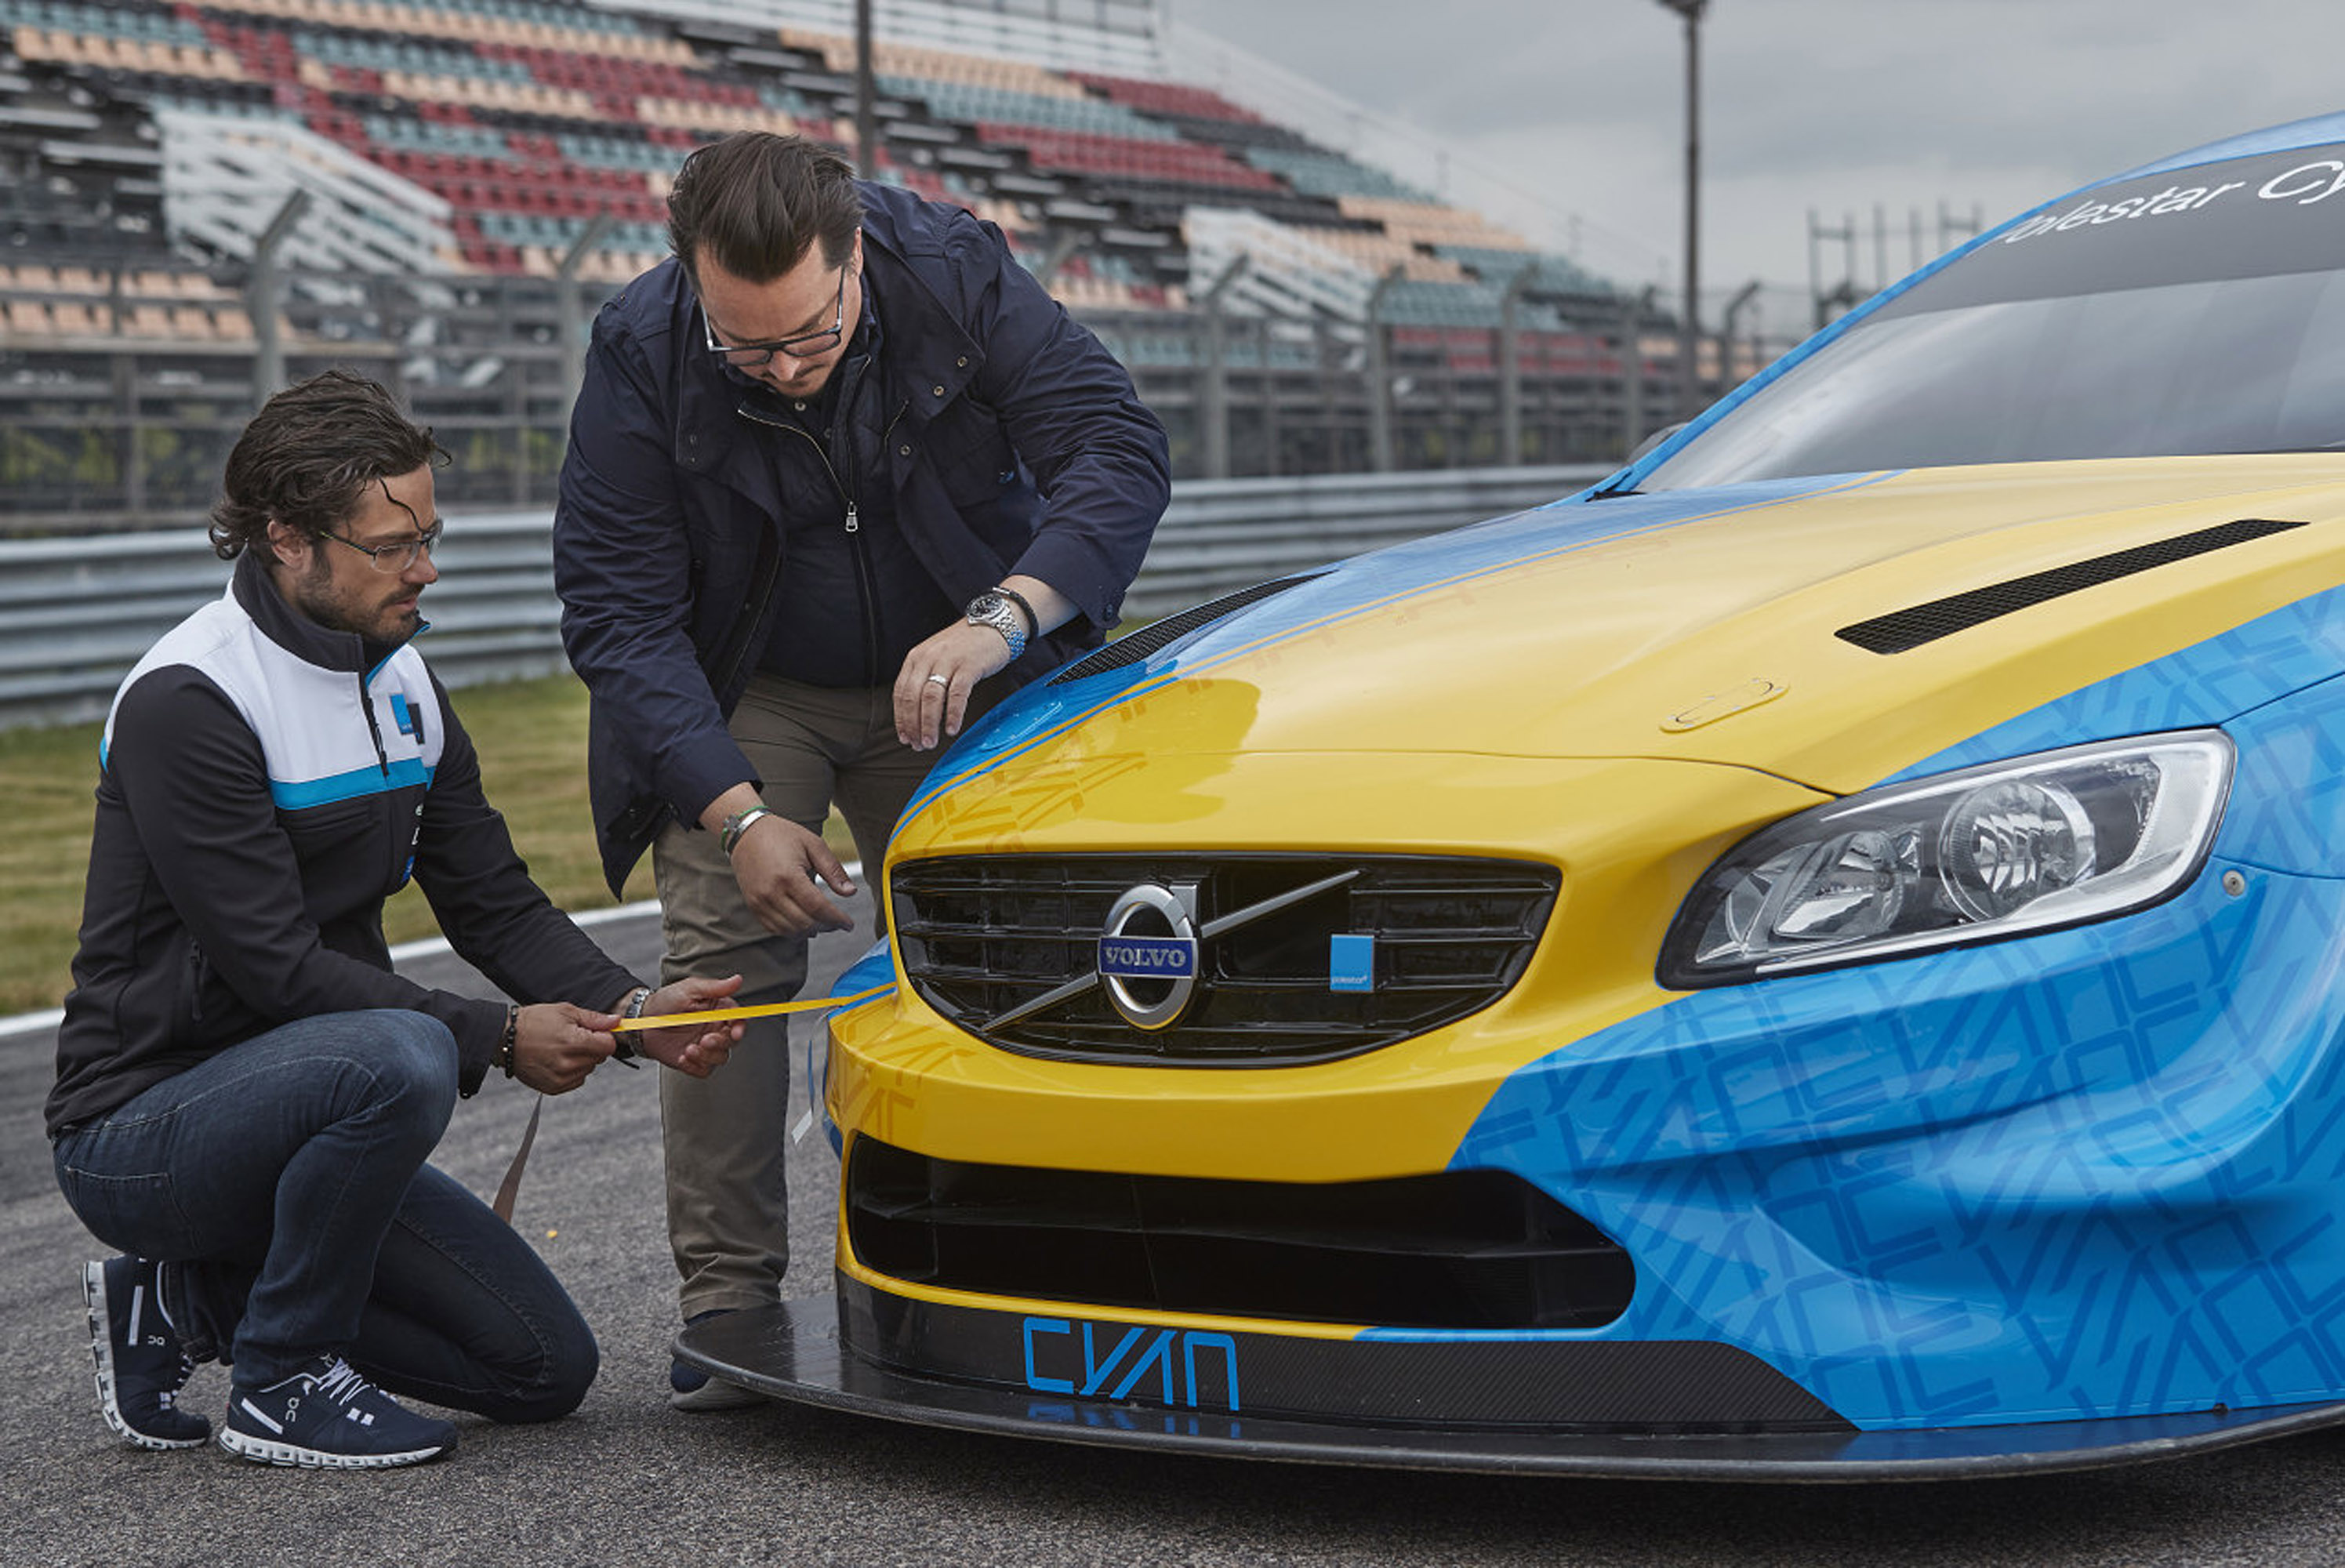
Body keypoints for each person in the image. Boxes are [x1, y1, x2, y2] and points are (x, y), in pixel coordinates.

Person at [554, 132, 1170, 1409]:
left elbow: (1114, 449)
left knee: (1004, 958)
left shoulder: (955, 272)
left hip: (953, 655)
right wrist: (733, 814)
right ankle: (727, 1303)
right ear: (692, 283)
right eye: (746, 348)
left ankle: (1023, 1271)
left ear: (854, 263)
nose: (779, 374)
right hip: (752, 680)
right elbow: (616, 609)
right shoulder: (641, 344)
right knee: (725, 957)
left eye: (809, 339)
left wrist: (1006, 615)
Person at [47, 370, 744, 1470]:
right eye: (391, 545)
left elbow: (492, 898)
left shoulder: (405, 680)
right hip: (142, 1130)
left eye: (430, 533)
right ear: (287, 538)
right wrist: (499, 1038)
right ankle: (280, 1380)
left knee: (542, 1370)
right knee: (406, 1052)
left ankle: (184, 1306)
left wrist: (634, 1008)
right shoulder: (190, 699)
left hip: (324, 1088)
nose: (426, 566)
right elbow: (276, 967)